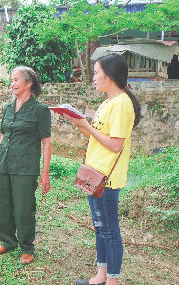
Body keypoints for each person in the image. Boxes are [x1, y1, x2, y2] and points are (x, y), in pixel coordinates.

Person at [64, 53, 141, 285]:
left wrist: (86, 124)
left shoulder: (121, 104)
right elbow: (95, 136)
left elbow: (115, 145)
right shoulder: (107, 102)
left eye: (97, 73)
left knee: (110, 231)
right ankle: (101, 276)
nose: (94, 77)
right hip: (94, 174)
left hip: (107, 178)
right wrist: (80, 124)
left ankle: (113, 281)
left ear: (110, 76)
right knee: (99, 228)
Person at [0, 66, 51, 265]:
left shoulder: (40, 110)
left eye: (16, 80)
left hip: (25, 166)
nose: (12, 84)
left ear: (29, 83)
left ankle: (27, 246)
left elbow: (46, 142)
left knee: (24, 208)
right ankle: (8, 241)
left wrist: (45, 173)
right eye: (11, 80)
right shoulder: (8, 108)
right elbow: (3, 135)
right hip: (4, 163)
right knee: (3, 204)